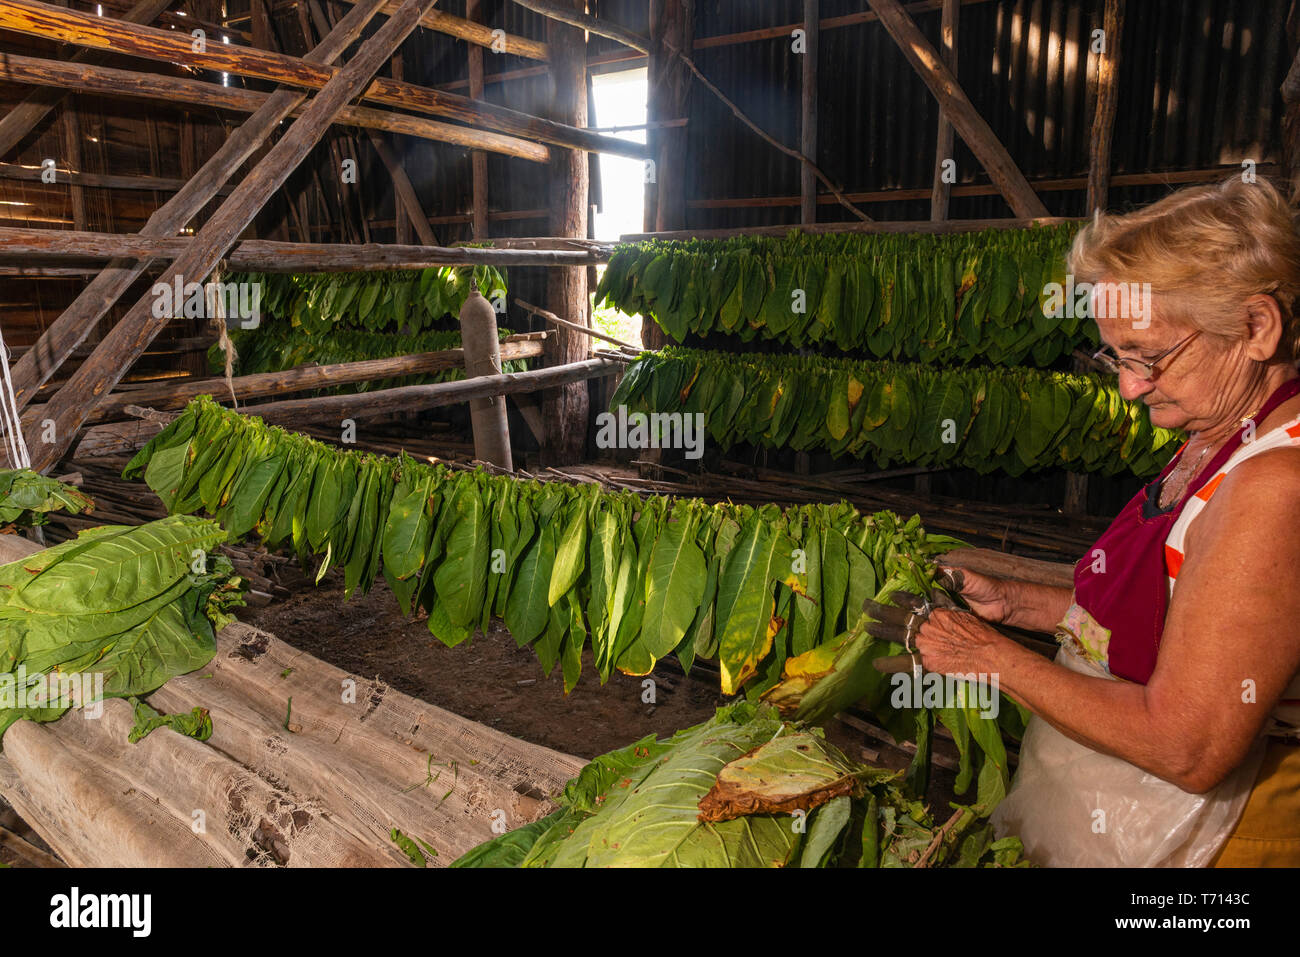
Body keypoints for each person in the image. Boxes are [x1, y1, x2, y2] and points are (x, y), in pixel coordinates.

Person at [915, 176, 1300, 867]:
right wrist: (1022, 604)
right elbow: (1173, 622)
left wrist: (985, 656)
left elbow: (1188, 744)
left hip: (1219, 842)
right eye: (1115, 356)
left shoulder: (1277, 485)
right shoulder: (1223, 431)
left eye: (1148, 357)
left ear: (1255, 327)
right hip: (1144, 819)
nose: (1128, 385)